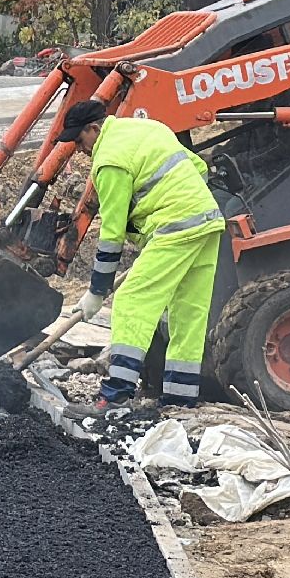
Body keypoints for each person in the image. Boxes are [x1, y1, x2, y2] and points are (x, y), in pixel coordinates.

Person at [58, 99, 226, 412]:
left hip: (175, 226)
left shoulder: (109, 161)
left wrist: (96, 292)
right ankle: (179, 401)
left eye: (79, 141)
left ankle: (115, 395)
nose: (79, 150)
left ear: (94, 129)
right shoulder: (145, 128)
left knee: (131, 301)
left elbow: (112, 234)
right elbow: (199, 167)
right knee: (188, 312)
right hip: (207, 220)